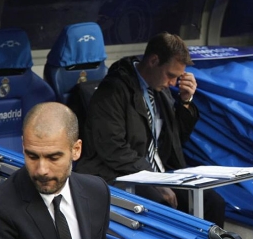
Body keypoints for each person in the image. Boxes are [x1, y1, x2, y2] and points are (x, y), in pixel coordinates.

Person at [75, 31, 225, 227]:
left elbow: (175, 140)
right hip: (117, 173)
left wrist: (186, 102)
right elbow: (112, 148)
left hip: (157, 172)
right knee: (162, 207)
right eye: (171, 75)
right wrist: (154, 180)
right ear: (153, 61)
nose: (173, 83)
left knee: (214, 202)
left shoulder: (161, 91)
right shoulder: (113, 90)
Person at [0, 102, 111, 239]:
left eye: (53, 158)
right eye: (32, 156)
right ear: (23, 146)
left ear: (76, 149)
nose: (42, 170)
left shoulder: (97, 191)